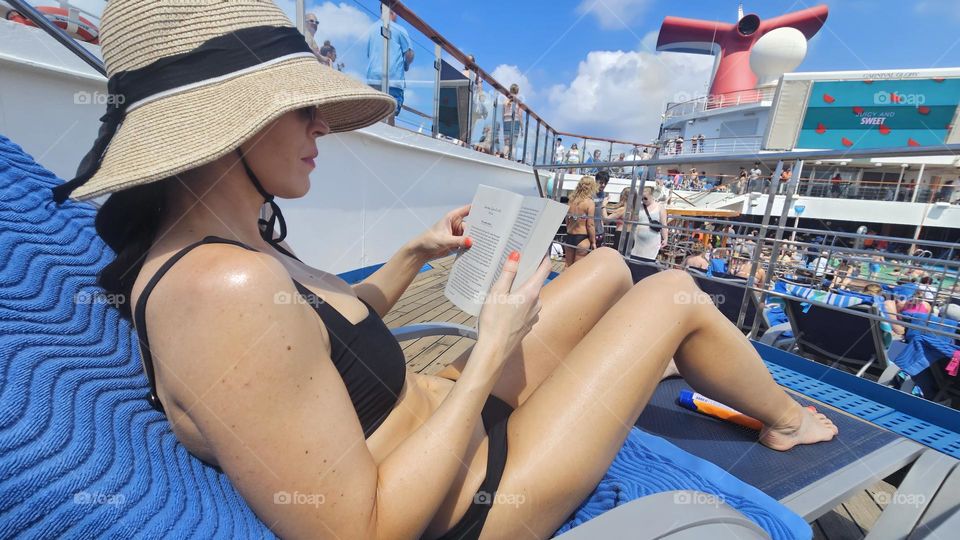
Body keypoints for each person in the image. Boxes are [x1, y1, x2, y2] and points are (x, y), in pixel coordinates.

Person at [58, 5, 838, 538]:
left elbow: (319, 339)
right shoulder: (221, 288)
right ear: (230, 123)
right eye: (299, 107)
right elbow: (364, 529)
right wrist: (491, 351)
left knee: (604, 265)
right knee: (670, 293)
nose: (321, 123)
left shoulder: (232, 244)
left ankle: (682, 371)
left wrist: (414, 254)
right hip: (474, 499)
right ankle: (788, 422)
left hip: (444, 419)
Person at [366, 10, 413, 124]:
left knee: (374, 117)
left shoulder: (372, 29)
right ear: (393, 12)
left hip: (372, 79)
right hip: (393, 80)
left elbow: (369, 54)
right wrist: (406, 65)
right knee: (389, 116)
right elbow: (409, 54)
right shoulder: (399, 29)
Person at [564, 176, 598, 267]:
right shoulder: (589, 203)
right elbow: (590, 225)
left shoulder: (571, 200)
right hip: (582, 238)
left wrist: (569, 228)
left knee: (567, 266)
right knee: (577, 268)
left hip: (570, 235)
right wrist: (593, 242)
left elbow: (567, 219)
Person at [630, 186, 668, 262]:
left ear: (652, 195)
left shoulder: (660, 207)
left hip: (652, 242)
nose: (643, 200)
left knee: (647, 262)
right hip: (637, 241)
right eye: (641, 198)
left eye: (645, 198)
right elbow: (633, 222)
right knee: (634, 261)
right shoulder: (639, 207)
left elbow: (664, 224)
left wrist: (665, 238)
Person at [602, 187, 636, 252]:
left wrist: (603, 206)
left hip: (621, 236)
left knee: (617, 256)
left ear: (623, 196)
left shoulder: (622, 210)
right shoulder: (634, 210)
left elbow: (606, 220)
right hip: (630, 236)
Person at [502, 83, 523, 160]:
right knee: (513, 145)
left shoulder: (505, 101)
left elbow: (502, 114)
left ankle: (504, 157)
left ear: (510, 90)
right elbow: (520, 115)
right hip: (515, 122)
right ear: (517, 91)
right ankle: (511, 160)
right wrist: (522, 127)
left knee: (506, 144)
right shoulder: (518, 102)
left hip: (506, 122)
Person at [593, 170, 610, 247]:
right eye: (601, 182)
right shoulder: (589, 194)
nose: (603, 185)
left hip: (600, 231)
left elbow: (602, 214)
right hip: (589, 230)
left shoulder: (604, 194)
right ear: (596, 181)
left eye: (605, 183)